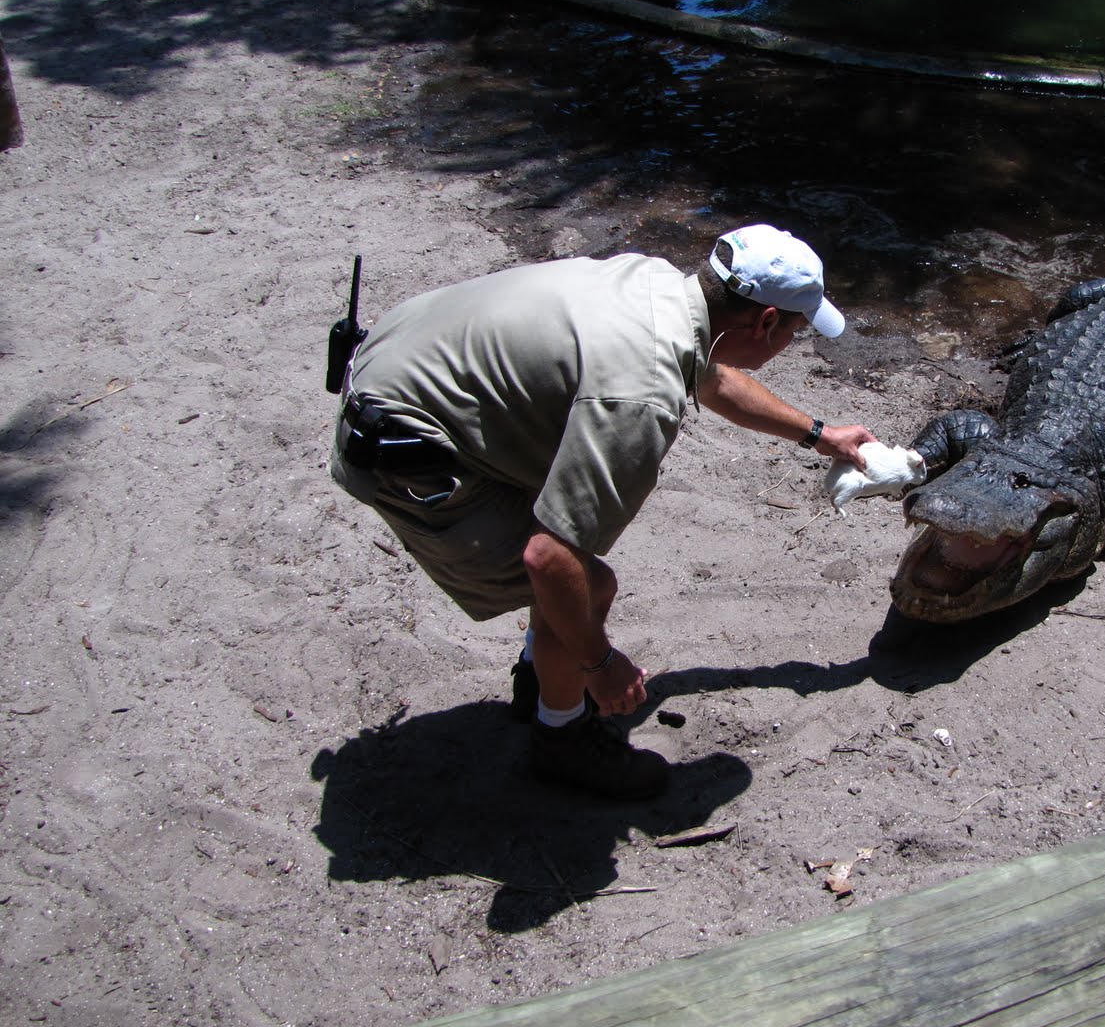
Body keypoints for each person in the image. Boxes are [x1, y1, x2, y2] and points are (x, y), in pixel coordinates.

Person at [329, 225, 878, 799]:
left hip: (399, 364)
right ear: (766, 322)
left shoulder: (658, 285)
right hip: (404, 449)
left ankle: (541, 676)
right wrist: (600, 663)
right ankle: (561, 738)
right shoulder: (642, 393)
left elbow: (711, 378)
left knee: (568, 583)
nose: (792, 340)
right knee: (584, 586)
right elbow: (548, 558)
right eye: (795, 329)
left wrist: (820, 436)